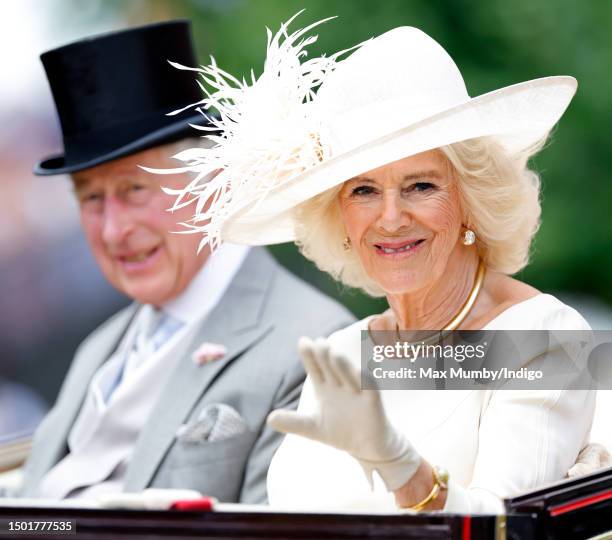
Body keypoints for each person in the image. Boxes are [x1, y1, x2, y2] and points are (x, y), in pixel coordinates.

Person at [162, 16, 609, 513]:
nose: (391, 218)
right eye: (364, 190)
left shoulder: (543, 337)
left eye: (421, 185)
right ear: (340, 219)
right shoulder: (344, 352)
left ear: (471, 201)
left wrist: (405, 471)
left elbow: (505, 529)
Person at [17, 20, 354, 503]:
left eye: (135, 189)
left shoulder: (314, 345)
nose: (113, 230)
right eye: (91, 199)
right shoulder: (100, 349)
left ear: (211, 182)